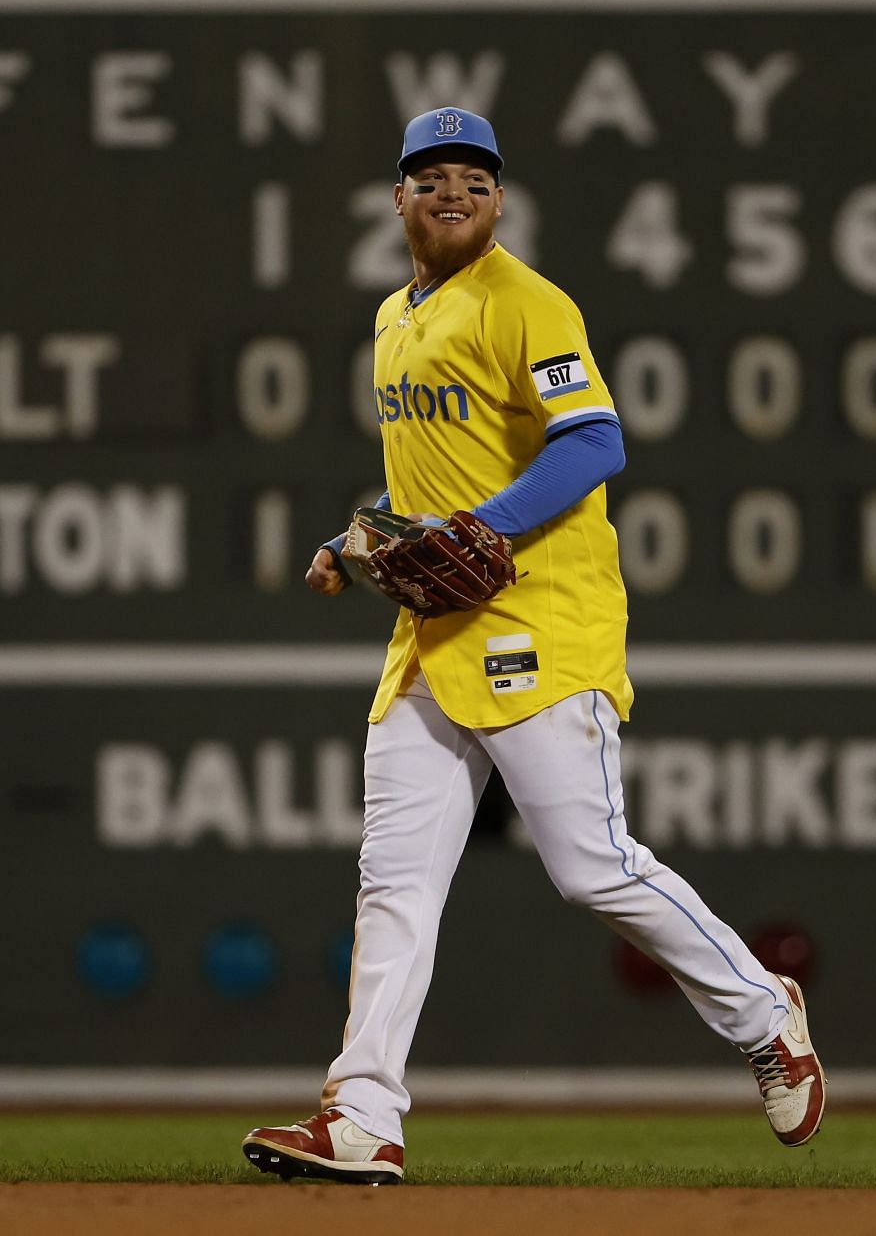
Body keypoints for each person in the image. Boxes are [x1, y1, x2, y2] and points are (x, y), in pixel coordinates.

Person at [241, 108, 824, 1184]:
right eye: (430, 175)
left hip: (541, 625)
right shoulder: (394, 318)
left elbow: (597, 438)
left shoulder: (530, 302)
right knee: (394, 883)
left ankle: (763, 1011)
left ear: (500, 199)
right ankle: (363, 1113)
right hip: (429, 644)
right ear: (399, 200)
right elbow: (428, 491)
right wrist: (352, 538)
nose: (452, 189)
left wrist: (485, 529)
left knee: (590, 867)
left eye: (473, 175)